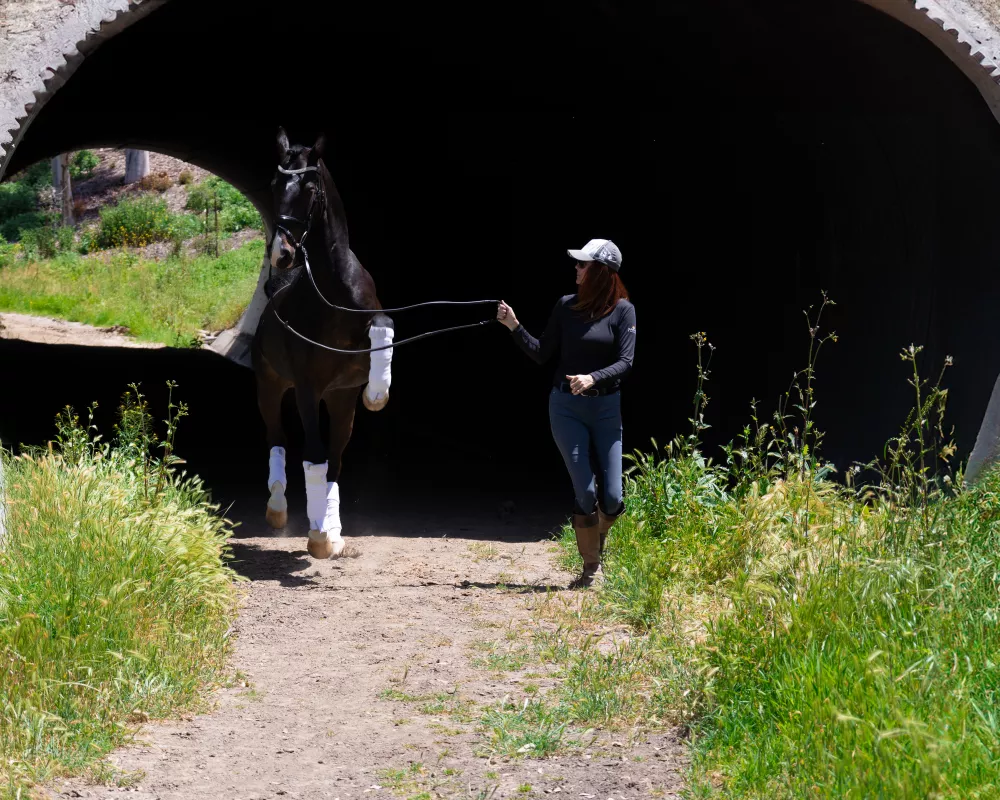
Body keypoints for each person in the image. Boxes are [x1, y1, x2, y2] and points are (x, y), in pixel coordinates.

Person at [497, 238, 636, 587]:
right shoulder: (565, 307)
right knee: (586, 492)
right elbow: (543, 353)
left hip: (606, 408)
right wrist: (514, 326)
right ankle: (592, 569)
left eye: (582, 264)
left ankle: (598, 547)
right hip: (566, 407)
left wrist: (593, 378)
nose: (576, 269)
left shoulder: (623, 311)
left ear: (600, 273)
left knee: (614, 497)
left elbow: (626, 361)